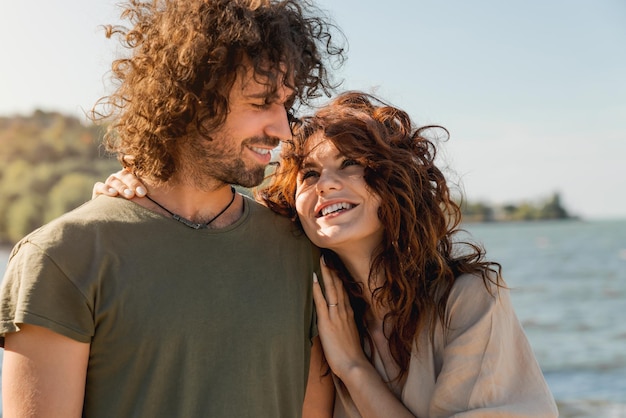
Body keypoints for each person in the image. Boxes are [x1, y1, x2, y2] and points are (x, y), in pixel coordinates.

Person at [96, 91, 559, 417]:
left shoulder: (469, 299)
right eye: (310, 173)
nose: (326, 185)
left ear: (394, 184)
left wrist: (354, 369)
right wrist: (134, 202)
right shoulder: (302, 300)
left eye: (350, 165)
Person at [0, 1, 345, 417]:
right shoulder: (62, 257)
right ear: (189, 100)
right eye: (259, 103)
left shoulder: (299, 252)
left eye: (285, 105)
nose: (282, 129)